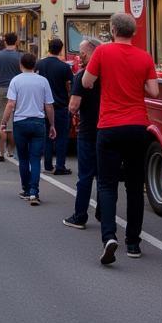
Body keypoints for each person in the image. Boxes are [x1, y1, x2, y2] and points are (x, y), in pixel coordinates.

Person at [82, 13, 159, 266]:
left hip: (110, 126)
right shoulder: (144, 56)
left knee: (107, 184)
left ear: (113, 30)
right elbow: (153, 90)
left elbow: (87, 82)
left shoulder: (103, 53)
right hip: (138, 125)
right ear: (133, 32)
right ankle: (134, 242)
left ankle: (109, 237)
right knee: (136, 186)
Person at [0, 53, 55, 206]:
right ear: (35, 65)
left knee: (23, 158)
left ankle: (25, 188)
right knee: (35, 159)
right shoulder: (43, 81)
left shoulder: (16, 81)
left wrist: (4, 122)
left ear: (21, 65)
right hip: (38, 122)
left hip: (20, 122)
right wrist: (52, 125)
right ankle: (34, 192)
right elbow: (48, 106)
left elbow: (11, 104)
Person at [64, 39, 101, 231]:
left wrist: (72, 112)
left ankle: (80, 215)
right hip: (106, 128)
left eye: (81, 53)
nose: (80, 56)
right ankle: (103, 210)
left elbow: (73, 106)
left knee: (85, 176)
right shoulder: (109, 74)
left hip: (87, 131)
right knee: (104, 175)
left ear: (87, 54)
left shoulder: (82, 76)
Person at [37, 37, 74, 176]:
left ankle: (47, 164)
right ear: (61, 49)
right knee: (61, 137)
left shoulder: (39, 64)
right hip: (60, 106)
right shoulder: (64, 67)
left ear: (49, 48)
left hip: (43, 106)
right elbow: (69, 86)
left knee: (46, 136)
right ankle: (60, 165)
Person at [0, 34, 22, 162]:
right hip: (15, 89)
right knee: (12, 121)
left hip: (0, 88)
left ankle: (1, 152)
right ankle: (11, 150)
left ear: (5, 41)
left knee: (0, 120)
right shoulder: (20, 56)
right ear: (16, 41)